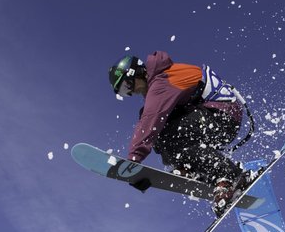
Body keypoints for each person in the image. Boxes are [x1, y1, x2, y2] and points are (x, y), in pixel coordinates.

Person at [109, 51, 254, 211]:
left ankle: (228, 174)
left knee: (165, 131)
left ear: (136, 72)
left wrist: (133, 161)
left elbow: (150, 120)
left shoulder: (161, 82)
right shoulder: (160, 82)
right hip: (214, 117)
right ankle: (190, 165)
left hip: (221, 116)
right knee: (164, 136)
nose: (131, 92)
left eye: (127, 85)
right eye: (125, 92)